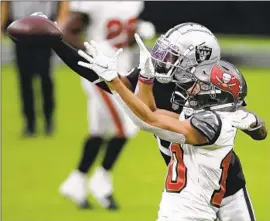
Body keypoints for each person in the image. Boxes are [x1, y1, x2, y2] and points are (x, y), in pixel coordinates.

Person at [44, 17, 266, 220]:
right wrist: (57, 43)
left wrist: (252, 123)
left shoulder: (215, 87)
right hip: (187, 185)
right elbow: (103, 78)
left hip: (227, 186)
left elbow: (145, 113)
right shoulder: (157, 79)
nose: (164, 60)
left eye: (174, 55)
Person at [58, 1, 155, 209]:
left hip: (123, 69)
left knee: (99, 131)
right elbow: (66, 32)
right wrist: (93, 54)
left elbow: (123, 36)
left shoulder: (133, 3)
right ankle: (101, 180)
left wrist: (137, 32)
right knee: (129, 125)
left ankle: (76, 181)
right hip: (102, 74)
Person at [1, 2, 68, 136]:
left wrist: (60, 22)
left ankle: (48, 120)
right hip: (20, 30)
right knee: (25, 79)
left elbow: (63, 3)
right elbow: (5, 3)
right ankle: (30, 123)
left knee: (45, 77)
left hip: (44, 29)